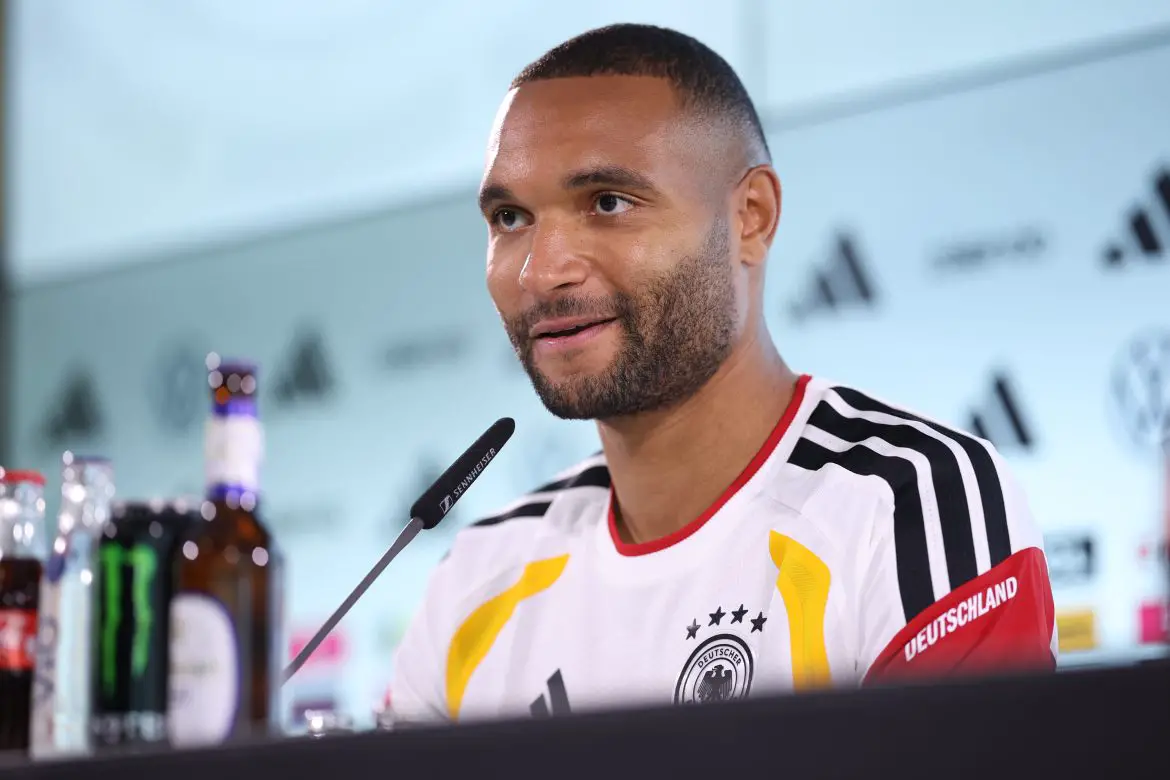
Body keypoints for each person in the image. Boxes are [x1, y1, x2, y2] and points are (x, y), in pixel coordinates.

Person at [387, 23, 1057, 724]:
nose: (541, 270)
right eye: (511, 217)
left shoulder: (914, 504)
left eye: (608, 203)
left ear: (751, 217)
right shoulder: (474, 578)